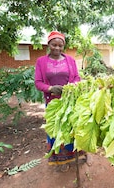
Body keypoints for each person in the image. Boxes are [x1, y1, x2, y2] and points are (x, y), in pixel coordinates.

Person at [34, 31, 83, 172]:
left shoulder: (70, 60)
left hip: (69, 102)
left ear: (63, 46)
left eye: (60, 45)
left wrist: (70, 87)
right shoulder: (41, 62)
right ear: (48, 44)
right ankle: (59, 161)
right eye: (54, 44)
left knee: (71, 128)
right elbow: (38, 83)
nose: (57, 48)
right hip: (52, 104)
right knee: (55, 130)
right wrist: (50, 88)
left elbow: (77, 79)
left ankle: (75, 158)